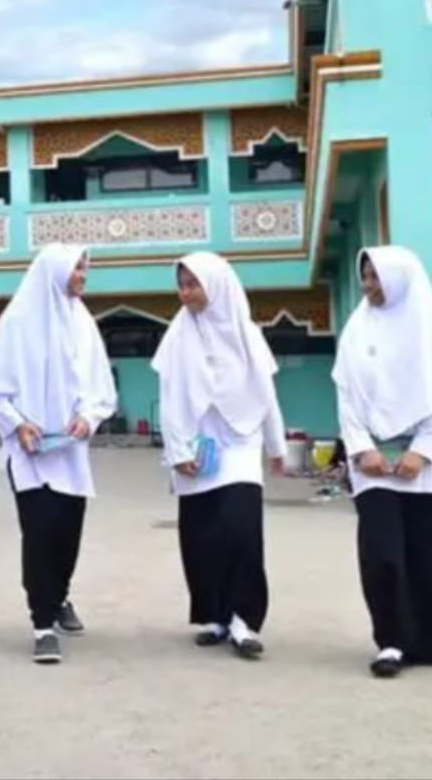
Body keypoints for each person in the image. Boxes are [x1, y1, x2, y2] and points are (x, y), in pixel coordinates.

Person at [333, 247, 432, 679]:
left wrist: (423, 451)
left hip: (423, 467)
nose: (369, 286)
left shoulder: (430, 331)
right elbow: (346, 397)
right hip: (371, 463)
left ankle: (431, 640)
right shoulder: (357, 330)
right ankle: (391, 641)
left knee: (428, 555)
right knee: (382, 554)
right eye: (365, 277)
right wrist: (361, 447)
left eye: (376, 277)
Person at [0, 245, 117, 665]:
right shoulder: (17, 321)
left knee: (67, 535)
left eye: (85, 267)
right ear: (55, 271)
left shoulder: (83, 322)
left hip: (70, 451)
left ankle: (60, 598)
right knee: (39, 536)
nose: (83, 275)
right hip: (31, 452)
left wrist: (89, 418)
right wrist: (17, 423)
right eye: (77, 267)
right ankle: (41, 624)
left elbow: (100, 387)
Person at [151, 253, 288, 660]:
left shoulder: (247, 334)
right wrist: (177, 450)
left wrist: (277, 446)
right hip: (197, 447)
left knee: (241, 531)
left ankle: (245, 620)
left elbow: (267, 394)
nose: (186, 292)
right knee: (202, 535)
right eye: (181, 284)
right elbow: (169, 398)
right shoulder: (177, 335)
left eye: (193, 283)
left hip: (241, 442)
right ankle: (214, 615)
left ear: (216, 284)